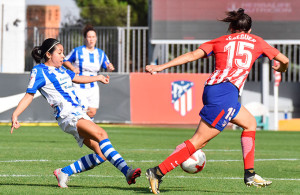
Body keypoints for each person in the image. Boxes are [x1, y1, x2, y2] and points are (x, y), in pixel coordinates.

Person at [145, 8, 289, 194]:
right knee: (198, 142)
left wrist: (160, 66)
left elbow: (191, 56)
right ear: (250, 30)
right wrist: (281, 68)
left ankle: (250, 174)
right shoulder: (257, 41)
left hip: (215, 90)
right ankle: (157, 172)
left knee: (249, 123)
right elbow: (283, 60)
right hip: (225, 94)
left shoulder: (220, 41)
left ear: (231, 27)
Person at [10, 38, 141, 188]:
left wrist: (97, 77)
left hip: (78, 113)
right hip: (68, 115)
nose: (63, 56)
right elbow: (29, 95)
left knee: (101, 155)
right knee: (102, 134)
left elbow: (77, 78)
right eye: (59, 53)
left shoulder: (62, 70)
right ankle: (127, 172)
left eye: (63, 53)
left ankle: (63, 172)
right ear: (48, 54)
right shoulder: (39, 71)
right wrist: (15, 115)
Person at [63, 24, 115, 119]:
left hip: (93, 86)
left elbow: (107, 65)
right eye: (89, 37)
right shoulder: (77, 51)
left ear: (96, 39)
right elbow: (65, 60)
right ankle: (83, 131)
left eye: (93, 37)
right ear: (85, 38)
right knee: (83, 110)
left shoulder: (100, 53)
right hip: (79, 85)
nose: (91, 39)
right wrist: (73, 68)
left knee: (92, 112)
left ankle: (86, 131)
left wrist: (110, 67)